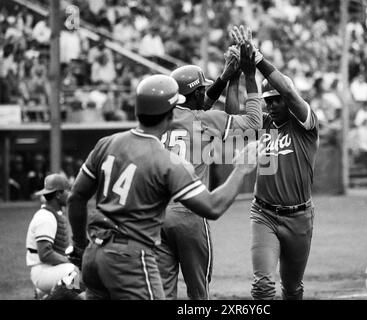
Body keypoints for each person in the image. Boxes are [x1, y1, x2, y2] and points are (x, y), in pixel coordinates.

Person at [67, 74, 259, 300]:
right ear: (170, 114)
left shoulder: (107, 144)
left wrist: (79, 247)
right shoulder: (167, 161)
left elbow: (75, 198)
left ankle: (61, 294)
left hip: (94, 253)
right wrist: (241, 169)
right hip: (131, 256)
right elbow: (213, 207)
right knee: (195, 292)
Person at [156, 41, 262, 300]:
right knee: (198, 292)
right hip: (190, 213)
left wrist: (227, 78)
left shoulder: (159, 121)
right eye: (200, 90)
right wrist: (248, 76)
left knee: (162, 291)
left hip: (156, 216)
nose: (204, 94)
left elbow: (198, 102)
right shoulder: (203, 120)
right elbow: (254, 123)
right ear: (193, 95)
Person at [231, 25, 319, 300]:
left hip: (299, 217)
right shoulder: (264, 124)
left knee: (292, 288)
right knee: (263, 287)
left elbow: (291, 93)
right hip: (264, 214)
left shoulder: (305, 124)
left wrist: (257, 59)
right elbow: (233, 114)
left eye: (276, 100)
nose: (271, 105)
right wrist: (238, 74)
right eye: (267, 101)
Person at [25, 173, 83, 299]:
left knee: (79, 277)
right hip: (42, 271)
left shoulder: (52, 215)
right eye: (67, 191)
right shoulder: (45, 218)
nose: (70, 194)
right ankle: (51, 295)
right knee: (73, 272)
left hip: (50, 269)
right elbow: (45, 254)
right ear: (58, 194)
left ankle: (44, 294)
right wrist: (69, 261)